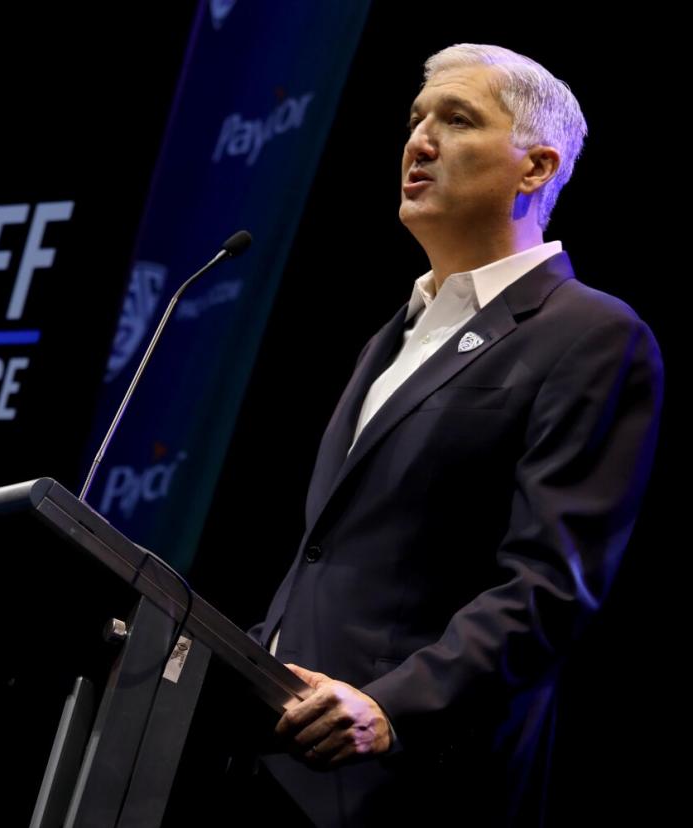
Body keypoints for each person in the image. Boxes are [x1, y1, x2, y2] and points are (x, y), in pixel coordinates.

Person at [247, 43, 664, 825]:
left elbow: (548, 584)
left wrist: (392, 706)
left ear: (535, 169)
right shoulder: (391, 335)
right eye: (415, 119)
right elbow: (331, 558)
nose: (419, 140)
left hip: (413, 780)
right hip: (277, 764)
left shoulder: (591, 334)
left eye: (457, 119)